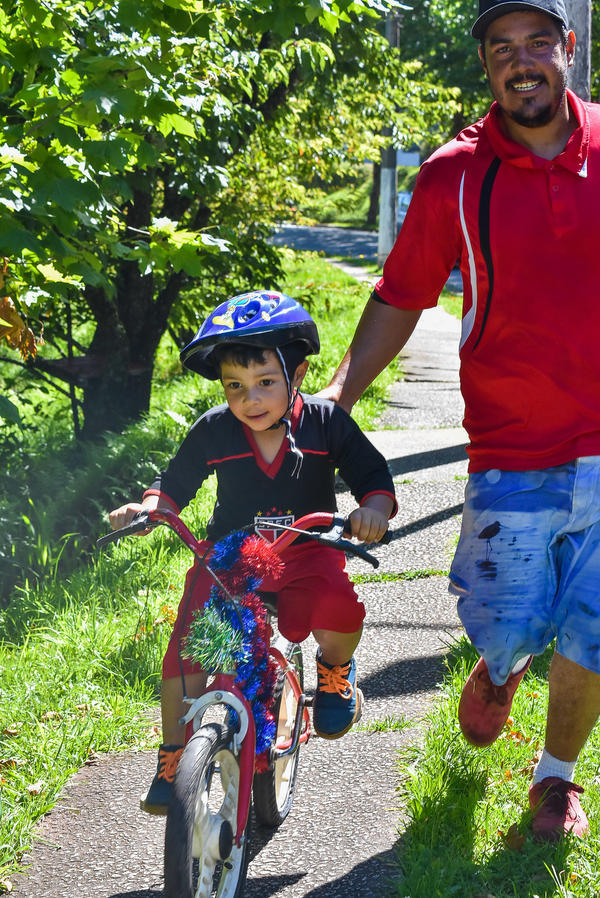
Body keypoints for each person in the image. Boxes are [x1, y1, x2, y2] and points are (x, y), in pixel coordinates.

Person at [321, 0, 600, 842]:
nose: (523, 62)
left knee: (591, 625)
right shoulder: (454, 174)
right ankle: (504, 662)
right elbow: (402, 294)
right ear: (485, 65)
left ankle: (556, 784)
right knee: (513, 617)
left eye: (538, 43)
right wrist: (335, 400)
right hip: (512, 445)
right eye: (502, 48)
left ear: (569, 49)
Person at [109, 290, 396, 814]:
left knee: (335, 606)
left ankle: (336, 671)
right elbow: (173, 483)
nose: (251, 399)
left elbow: (372, 476)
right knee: (188, 650)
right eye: (235, 387)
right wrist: (150, 508)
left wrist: (372, 509)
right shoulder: (215, 429)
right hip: (230, 560)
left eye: (266, 383)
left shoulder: (327, 422)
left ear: (299, 375)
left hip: (306, 550)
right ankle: (174, 755)